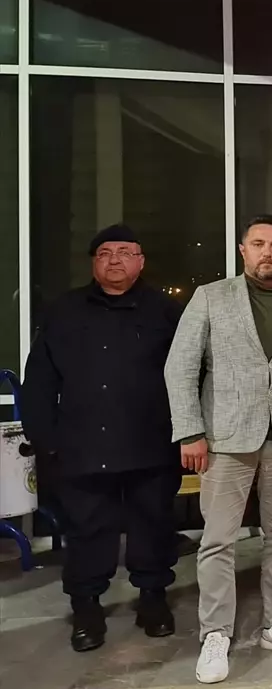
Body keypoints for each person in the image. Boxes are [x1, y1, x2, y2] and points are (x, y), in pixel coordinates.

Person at [165, 215, 272, 684]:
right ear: (243, 250)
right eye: (258, 243)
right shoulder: (211, 297)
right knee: (218, 540)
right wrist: (190, 431)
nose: (267, 252)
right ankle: (215, 633)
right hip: (225, 438)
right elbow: (181, 367)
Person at [22, 225, 183, 652]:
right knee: (87, 532)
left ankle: (153, 599)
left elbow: (190, 375)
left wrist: (189, 434)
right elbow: (38, 382)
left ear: (141, 262)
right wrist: (47, 441)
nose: (115, 260)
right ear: (94, 263)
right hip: (82, 447)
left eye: (125, 252)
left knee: (153, 527)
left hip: (153, 446)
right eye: (105, 253)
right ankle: (86, 608)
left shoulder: (166, 311)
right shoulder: (64, 311)